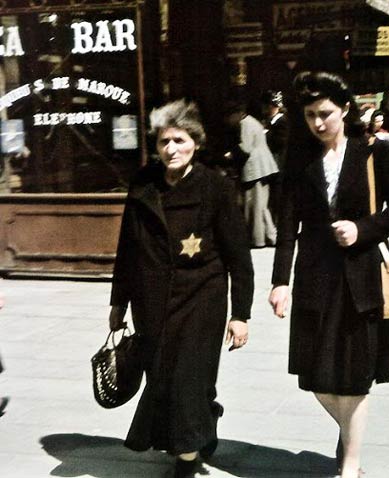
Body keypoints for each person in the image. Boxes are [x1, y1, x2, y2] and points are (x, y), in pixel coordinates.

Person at [268, 71, 389, 478]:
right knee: (316, 377)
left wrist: (362, 229)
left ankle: (349, 467)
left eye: (326, 114)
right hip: (315, 279)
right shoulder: (299, 161)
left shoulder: (373, 153)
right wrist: (280, 282)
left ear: (345, 109)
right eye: (311, 115)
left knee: (354, 377)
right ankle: (352, 430)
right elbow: (286, 226)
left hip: (361, 280)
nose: (318, 123)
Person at [109, 99, 254, 478]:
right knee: (164, 377)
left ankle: (186, 458)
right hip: (152, 301)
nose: (170, 149)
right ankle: (206, 419)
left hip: (201, 299)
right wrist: (117, 304)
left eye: (179, 140)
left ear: (196, 143)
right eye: (163, 142)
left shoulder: (216, 188)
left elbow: (239, 257)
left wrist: (240, 314)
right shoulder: (143, 184)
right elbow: (127, 247)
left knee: (187, 378)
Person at [225, 101, 279, 248]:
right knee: (261, 206)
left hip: (255, 169)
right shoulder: (252, 122)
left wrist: (230, 155)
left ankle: (258, 240)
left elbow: (246, 148)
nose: (229, 121)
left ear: (237, 114)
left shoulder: (245, 124)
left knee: (255, 205)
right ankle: (271, 237)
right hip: (263, 168)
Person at [261, 90, 290, 223]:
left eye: (267, 106)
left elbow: (280, 142)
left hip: (279, 163)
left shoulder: (282, 122)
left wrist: (266, 134)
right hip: (272, 163)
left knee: (278, 195)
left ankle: (278, 222)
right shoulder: (269, 122)